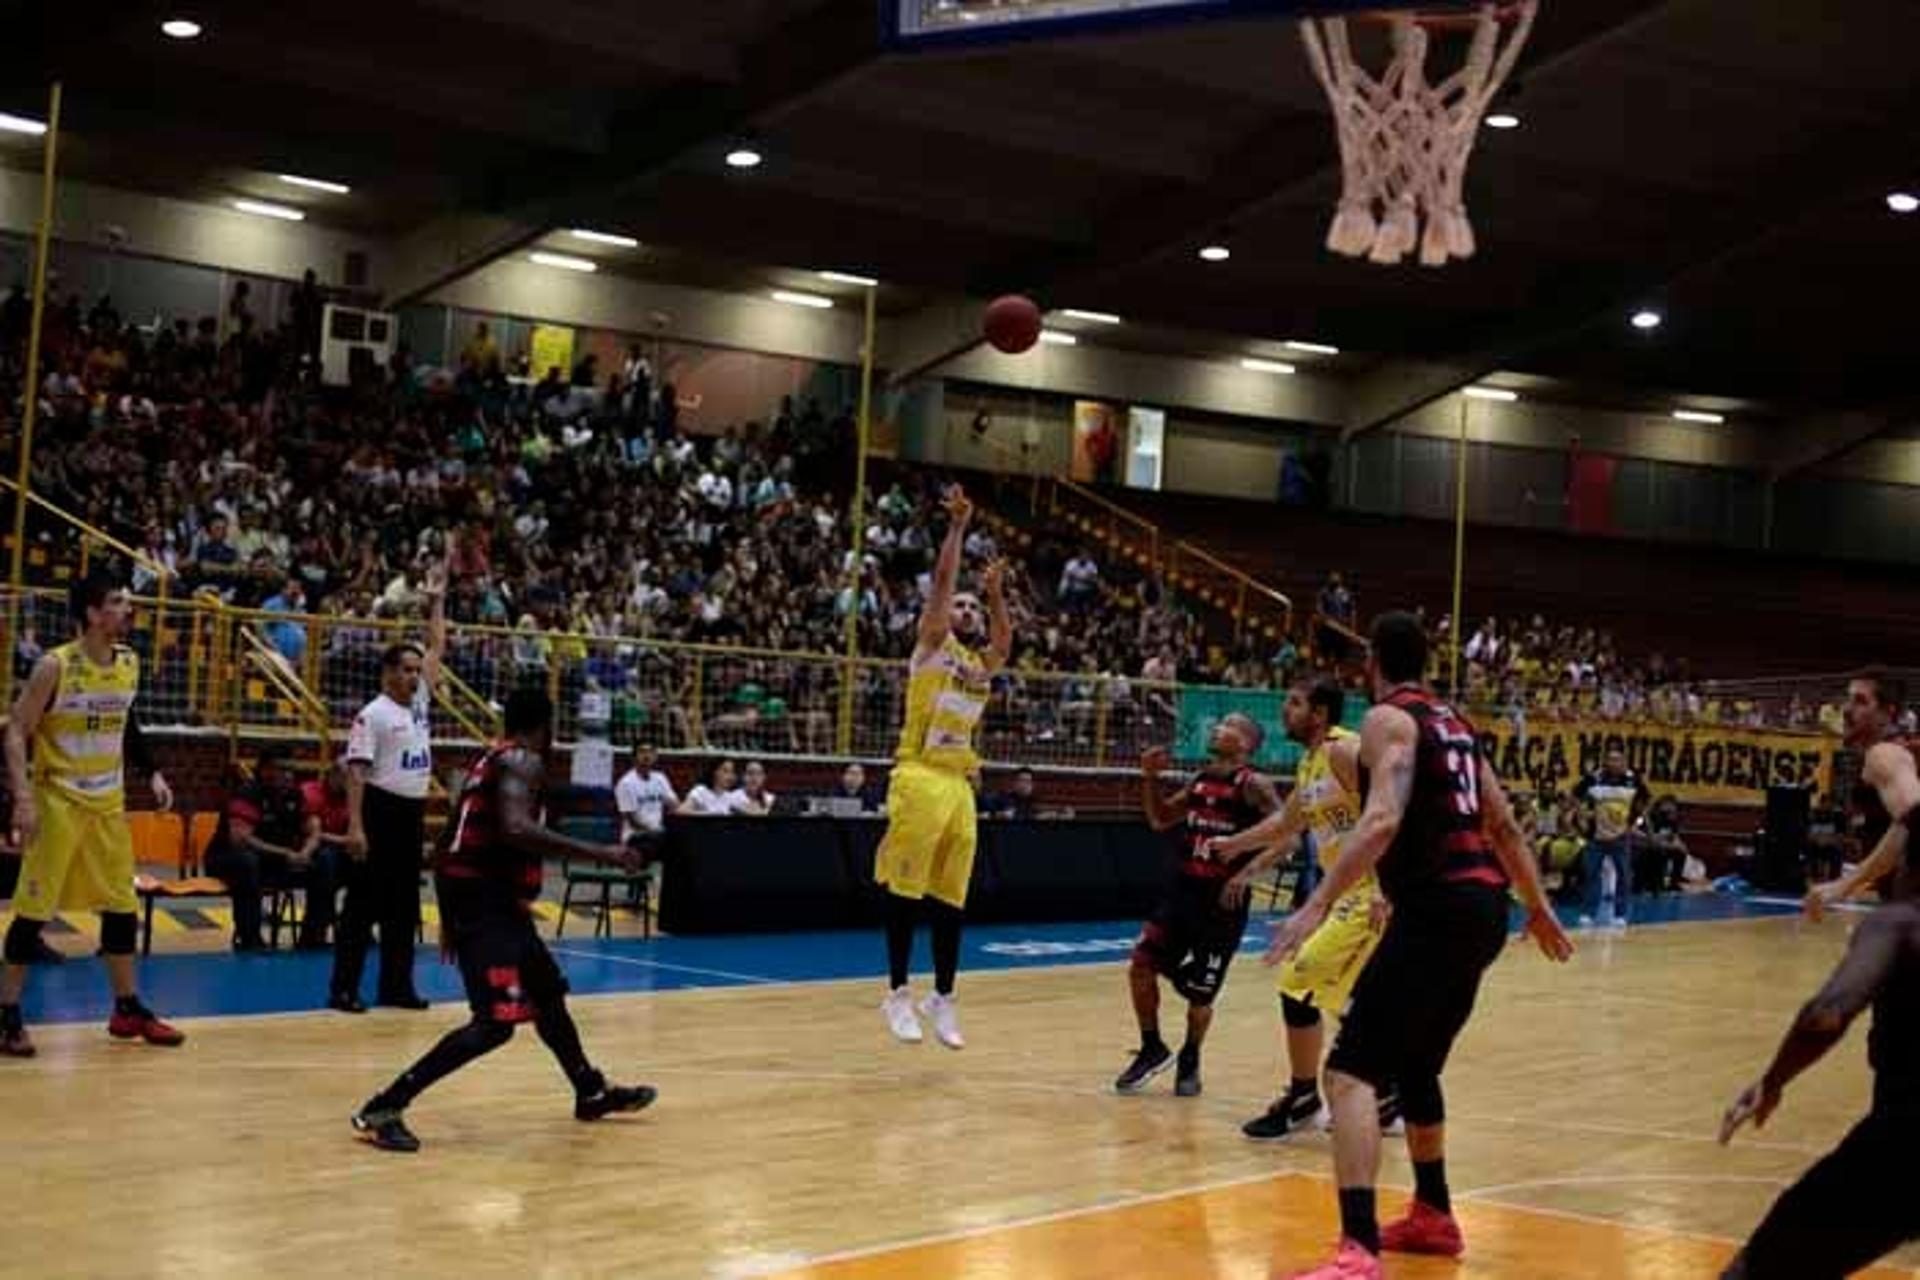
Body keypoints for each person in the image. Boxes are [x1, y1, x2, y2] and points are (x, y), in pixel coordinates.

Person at [1270, 612, 1572, 1280]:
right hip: (1482, 908)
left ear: (1373, 662)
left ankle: (1357, 1251)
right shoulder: (1456, 725)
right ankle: (1433, 1215)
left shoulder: (1389, 719)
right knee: (1416, 1065)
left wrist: (1315, 905)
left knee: (1349, 1072)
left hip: (1435, 907)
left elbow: (1381, 818)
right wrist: (1539, 907)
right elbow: (1501, 823)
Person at [350, 688, 656, 1153]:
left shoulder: (488, 758)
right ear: (546, 726)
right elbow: (516, 828)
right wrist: (605, 853)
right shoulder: (523, 761)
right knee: (494, 1023)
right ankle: (384, 1106)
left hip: (490, 902)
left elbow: (445, 841)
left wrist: (452, 916)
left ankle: (589, 1090)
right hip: (486, 902)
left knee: (547, 994)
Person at [1205, 678, 1398, 1140]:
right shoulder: (1311, 762)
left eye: (1294, 703)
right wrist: (1236, 845)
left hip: (1368, 892)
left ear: (1320, 713)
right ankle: (1388, 1091)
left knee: (1299, 985)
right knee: (1342, 997)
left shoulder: (1343, 751)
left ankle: (1304, 1096)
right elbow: (1287, 823)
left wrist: (1386, 888)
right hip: (1340, 895)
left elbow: (1393, 810)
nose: (1284, 711)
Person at [1, 572, 183, 1058]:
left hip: (107, 804)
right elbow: (16, 731)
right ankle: (6, 1015)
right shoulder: (54, 667)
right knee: (34, 911)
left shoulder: (128, 663)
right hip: (57, 802)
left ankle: (127, 1007)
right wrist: (21, 798)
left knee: (122, 906)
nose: (128, 609)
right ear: (91, 614)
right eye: (118, 602)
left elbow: (124, 721)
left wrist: (154, 773)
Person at [1719, 890, 1920, 1275]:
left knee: (1761, 1269)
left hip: (1905, 1147)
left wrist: (1773, 1081)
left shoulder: (1899, 922)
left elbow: (1826, 1014)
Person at [875, 487, 1011, 1050]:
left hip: (958, 787)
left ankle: (944, 997)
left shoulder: (980, 665)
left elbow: (1005, 641)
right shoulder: (933, 644)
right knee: (906, 891)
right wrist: (957, 528)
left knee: (952, 897)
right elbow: (941, 584)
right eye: (963, 606)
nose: (967, 611)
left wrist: (997, 596)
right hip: (918, 776)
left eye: (972, 608)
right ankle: (898, 992)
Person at [1117, 714, 1279, 1097]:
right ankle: (1152, 1047)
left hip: (1221, 905)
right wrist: (1150, 779)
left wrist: (1245, 874)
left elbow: (1287, 836)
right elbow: (1159, 820)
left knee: (1199, 997)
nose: (1217, 729)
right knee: (1141, 966)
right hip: (1182, 894)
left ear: (1245, 743)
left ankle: (1190, 1057)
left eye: (1227, 726)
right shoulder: (1201, 780)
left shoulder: (1254, 785)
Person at [329, 557, 446, 1014]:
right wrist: (356, 826)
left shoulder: (418, 704)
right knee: (362, 906)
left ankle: (396, 987)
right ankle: (343, 989)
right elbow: (356, 771)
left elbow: (438, 645)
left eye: (418, 671)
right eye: (407, 670)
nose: (416, 676)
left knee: (403, 907)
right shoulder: (373, 714)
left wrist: (436, 601)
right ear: (387, 673)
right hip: (379, 810)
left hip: (411, 814)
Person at [1805, 672, 1918, 921]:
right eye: (1848, 699)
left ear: (1888, 713)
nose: (1846, 709)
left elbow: (1916, 819)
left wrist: (1844, 885)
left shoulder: (1884, 754)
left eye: (1860, 701)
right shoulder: (1891, 753)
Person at [205, 748, 337, 952]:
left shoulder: (294, 794)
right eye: (282, 769)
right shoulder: (248, 793)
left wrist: (306, 852)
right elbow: (241, 839)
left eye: (290, 770)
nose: (288, 775)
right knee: (247, 861)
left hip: (275, 860)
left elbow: (314, 829)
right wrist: (285, 853)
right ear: (266, 770)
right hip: (227, 858)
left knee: (325, 859)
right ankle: (250, 939)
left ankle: (313, 936)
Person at [1574, 746, 1649, 929]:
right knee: (1591, 874)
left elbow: (1645, 800)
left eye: (1618, 760)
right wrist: (1582, 814)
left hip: (1621, 836)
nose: (1614, 763)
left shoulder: (1633, 781)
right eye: (1611, 759)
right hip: (1596, 836)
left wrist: (1634, 823)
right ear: (1605, 762)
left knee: (1623, 875)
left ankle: (1620, 914)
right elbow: (1576, 795)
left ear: (1624, 763)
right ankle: (1588, 913)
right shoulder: (1595, 778)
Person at [615, 745, 678, 854]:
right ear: (634, 757)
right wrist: (656, 831)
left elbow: (675, 805)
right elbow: (632, 821)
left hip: (658, 835)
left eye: (650, 752)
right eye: (642, 752)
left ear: (655, 757)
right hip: (635, 836)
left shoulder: (660, 779)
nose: (646, 756)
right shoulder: (626, 783)